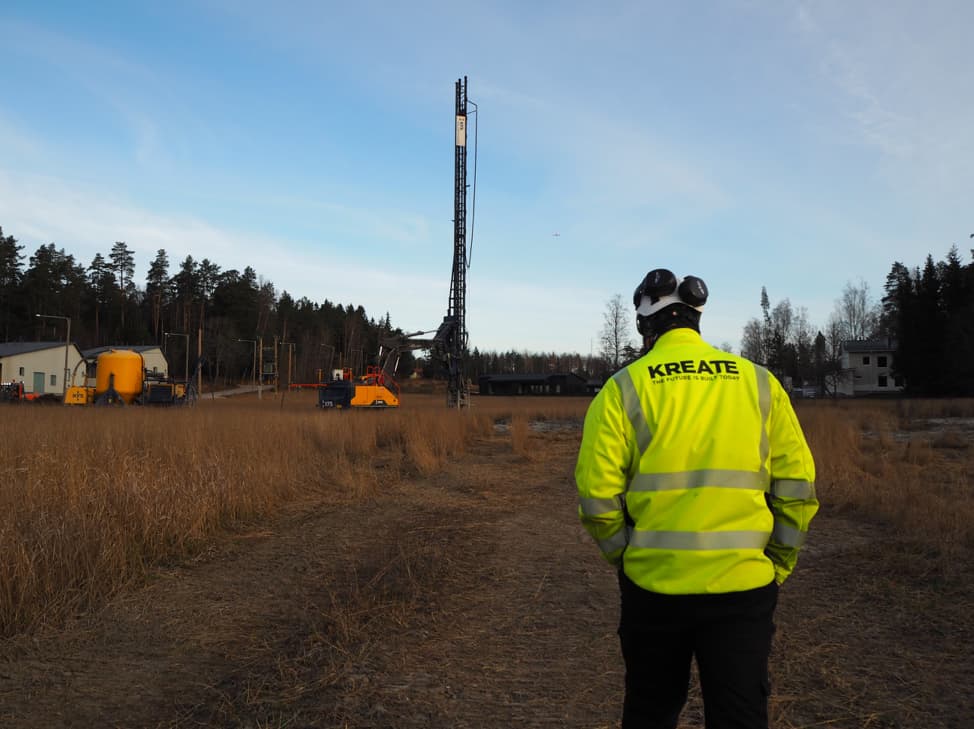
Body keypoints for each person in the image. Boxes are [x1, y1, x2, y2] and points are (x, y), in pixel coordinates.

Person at [575, 268, 818, 729]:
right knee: (740, 715)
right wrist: (779, 563)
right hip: (743, 589)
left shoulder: (623, 388)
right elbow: (798, 488)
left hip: (653, 588)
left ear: (646, 322)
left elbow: (595, 496)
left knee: (650, 709)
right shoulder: (759, 384)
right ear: (695, 318)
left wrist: (625, 556)